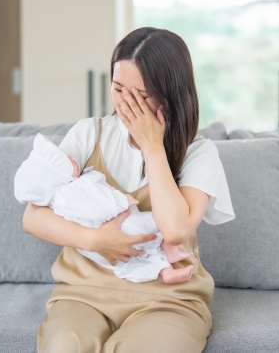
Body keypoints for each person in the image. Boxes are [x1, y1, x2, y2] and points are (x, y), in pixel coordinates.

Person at [22, 26, 235, 353]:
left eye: (142, 95)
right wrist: (96, 241)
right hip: (84, 294)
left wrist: (153, 147)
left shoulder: (198, 152)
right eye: (119, 88)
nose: (126, 104)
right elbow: (33, 218)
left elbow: (176, 231)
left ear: (171, 94)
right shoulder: (88, 134)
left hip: (167, 301)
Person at [13, 132, 195, 284]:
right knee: (156, 222)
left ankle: (166, 270)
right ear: (57, 176)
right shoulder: (70, 193)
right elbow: (97, 206)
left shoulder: (65, 195)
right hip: (117, 228)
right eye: (66, 160)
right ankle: (169, 255)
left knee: (143, 252)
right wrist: (123, 202)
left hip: (107, 242)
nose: (70, 157)